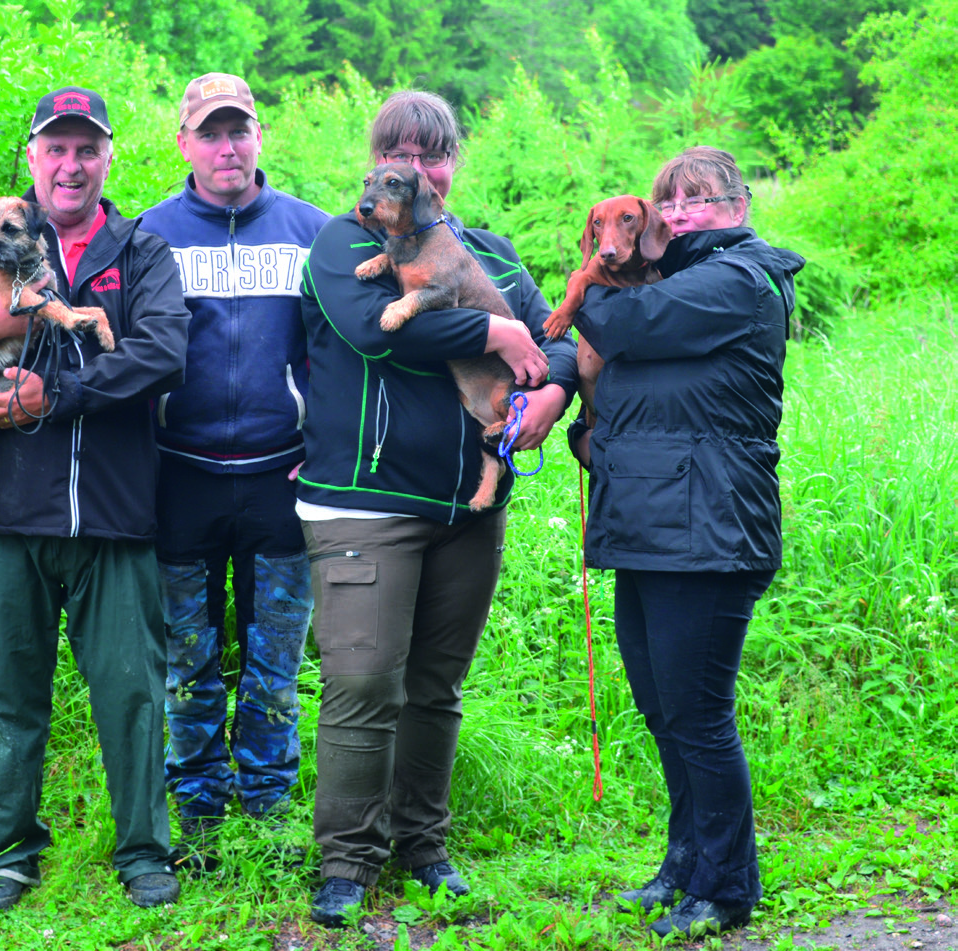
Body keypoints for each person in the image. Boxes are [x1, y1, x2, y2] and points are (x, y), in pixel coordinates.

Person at [295, 90, 578, 927]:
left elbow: (553, 330)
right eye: (402, 156)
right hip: (363, 502)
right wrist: (498, 337)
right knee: (359, 681)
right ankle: (347, 860)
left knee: (434, 685)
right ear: (379, 164)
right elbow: (380, 332)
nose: (420, 172)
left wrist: (556, 387)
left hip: (469, 505)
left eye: (435, 155)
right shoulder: (343, 241)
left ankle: (424, 846)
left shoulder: (484, 250)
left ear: (452, 165)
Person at [0, 86, 191, 911]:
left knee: (132, 690)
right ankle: (7, 854)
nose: (71, 164)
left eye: (87, 148)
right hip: (5, 510)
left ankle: (144, 850)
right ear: (32, 157)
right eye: (55, 147)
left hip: (115, 512)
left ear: (108, 157)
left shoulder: (141, 251)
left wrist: (57, 393)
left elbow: (162, 354)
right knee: (4, 690)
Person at [568, 146, 801, 938]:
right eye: (670, 199)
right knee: (664, 710)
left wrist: (579, 293)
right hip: (651, 524)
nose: (679, 212)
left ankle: (727, 884)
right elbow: (642, 390)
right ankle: (682, 865)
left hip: (710, 529)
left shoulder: (740, 277)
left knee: (699, 714)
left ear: (736, 205)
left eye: (698, 199)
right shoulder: (675, 277)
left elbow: (625, 323)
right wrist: (589, 433)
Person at [136, 72, 329, 865]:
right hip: (180, 476)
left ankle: (268, 799)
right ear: (184, 143)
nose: (227, 146)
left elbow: (335, 356)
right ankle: (199, 803)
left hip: (281, 476)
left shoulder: (313, 231)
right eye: (210, 132)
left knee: (275, 652)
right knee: (188, 652)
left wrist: (326, 446)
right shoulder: (147, 236)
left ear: (259, 136)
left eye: (239, 129)